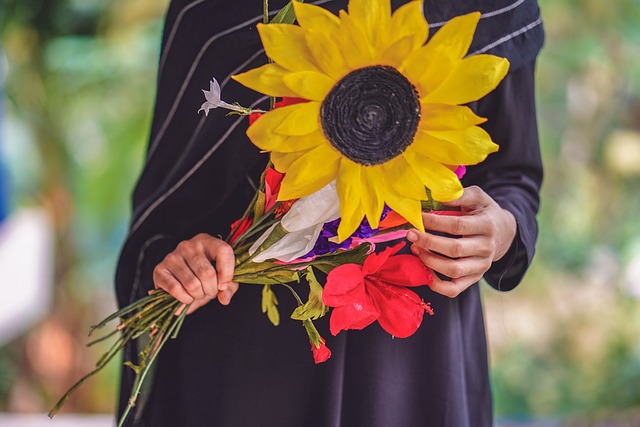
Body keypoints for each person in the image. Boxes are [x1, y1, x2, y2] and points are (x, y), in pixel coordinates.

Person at [115, 0, 544, 425]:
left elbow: (513, 175)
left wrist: (499, 229)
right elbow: (166, 205)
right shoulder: (217, 9)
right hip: (248, 359)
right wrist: (182, 262)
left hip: (414, 363)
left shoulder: (482, 7)